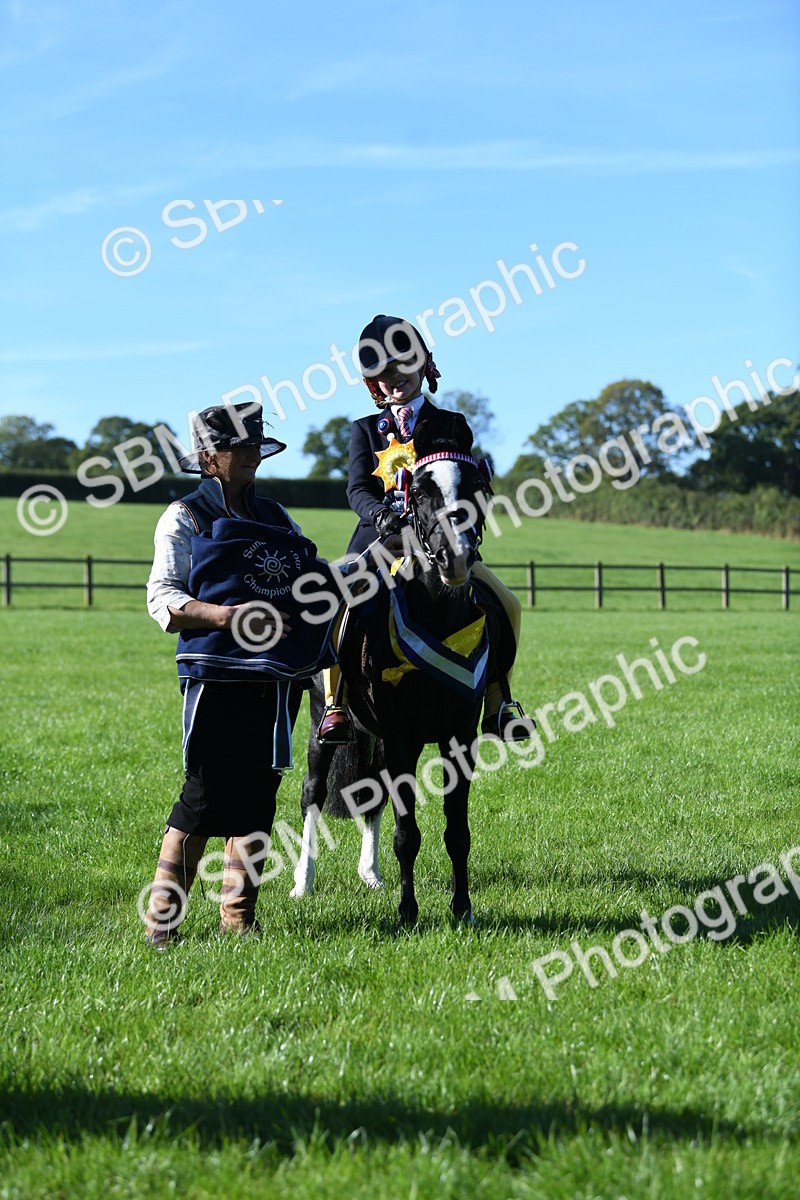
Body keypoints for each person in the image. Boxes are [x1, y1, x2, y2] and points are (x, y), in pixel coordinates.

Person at [317, 314, 533, 744]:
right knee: (337, 602)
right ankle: (334, 705)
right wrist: (380, 514)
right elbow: (357, 487)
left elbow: (468, 482)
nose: (394, 378)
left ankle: (498, 704)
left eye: (402, 365)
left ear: (422, 365)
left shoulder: (452, 423)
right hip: (380, 537)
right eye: (383, 372)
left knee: (507, 604)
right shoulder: (363, 430)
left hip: (440, 538)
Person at [143, 402, 313, 945]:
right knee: (203, 793)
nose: (249, 457)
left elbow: (308, 578)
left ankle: (239, 921)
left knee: (261, 793)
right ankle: (162, 923)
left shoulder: (280, 518)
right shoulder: (184, 516)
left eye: (253, 446)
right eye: (237, 447)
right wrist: (227, 617)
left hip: (276, 678)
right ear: (208, 458)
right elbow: (162, 599)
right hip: (214, 672)